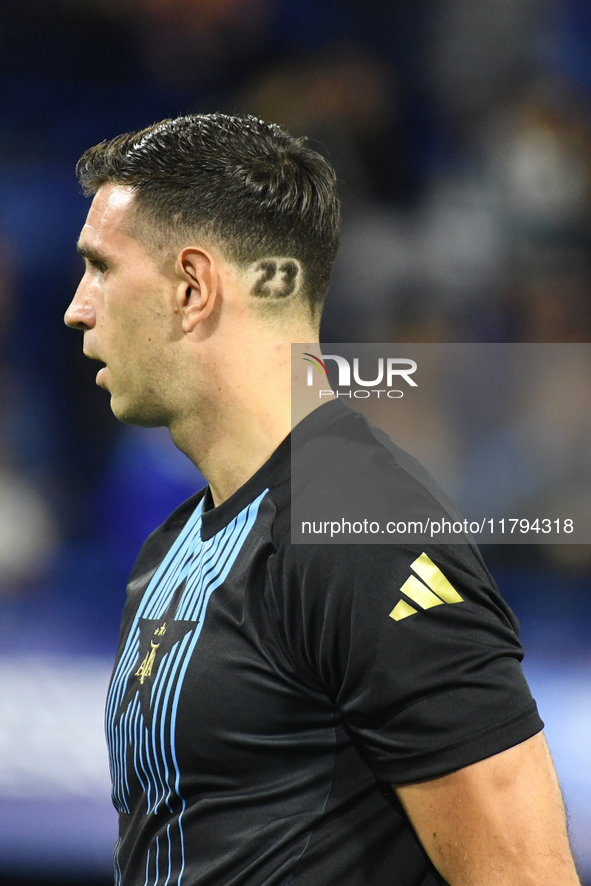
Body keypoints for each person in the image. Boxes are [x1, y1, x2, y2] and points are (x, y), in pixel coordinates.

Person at [64, 114, 581, 886]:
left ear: (193, 287)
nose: (78, 306)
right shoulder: (172, 546)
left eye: (101, 267)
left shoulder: (363, 532)